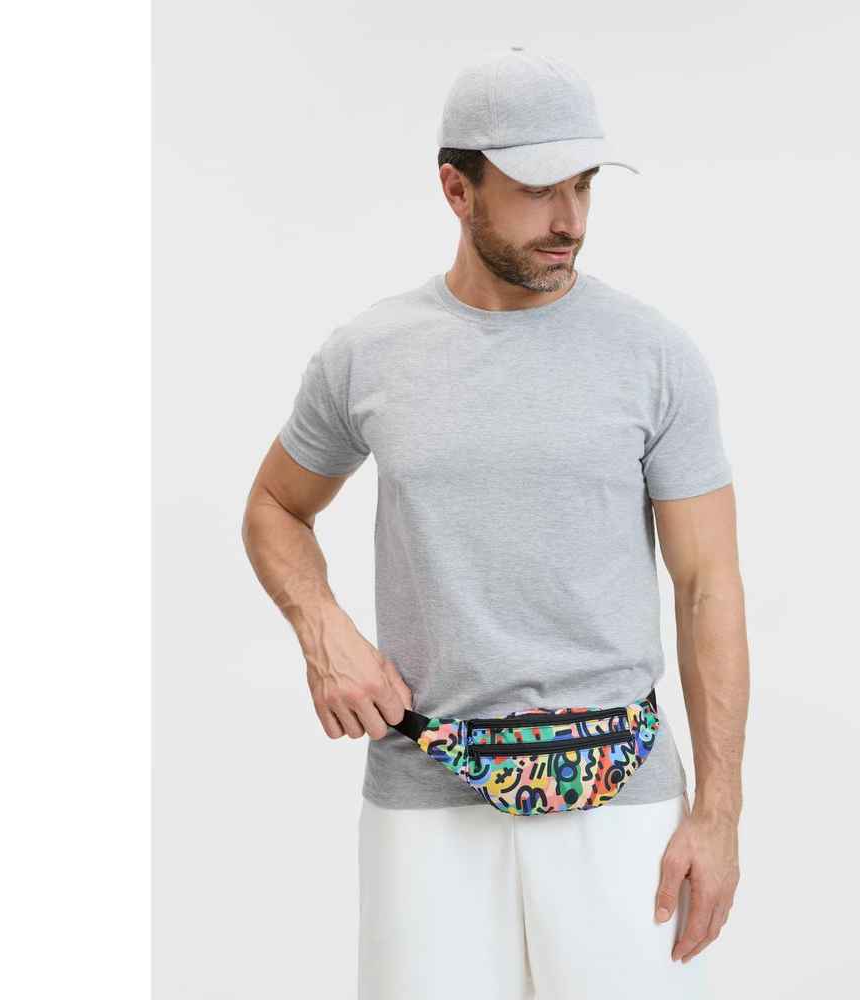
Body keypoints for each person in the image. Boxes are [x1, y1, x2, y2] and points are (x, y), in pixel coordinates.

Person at [241, 47, 749, 999]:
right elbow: (275, 505)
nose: (570, 221)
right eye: (536, 190)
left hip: (622, 800)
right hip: (425, 793)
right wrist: (322, 629)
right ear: (456, 188)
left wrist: (717, 815)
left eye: (584, 186)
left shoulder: (654, 355)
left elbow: (706, 587)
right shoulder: (369, 354)